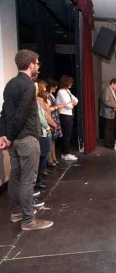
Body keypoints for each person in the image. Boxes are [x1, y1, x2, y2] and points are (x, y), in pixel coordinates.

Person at [0, 49, 53, 230]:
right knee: (28, 180)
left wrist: (5, 136)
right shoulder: (29, 85)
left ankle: (16, 213)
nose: (38, 66)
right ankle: (28, 220)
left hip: (14, 141)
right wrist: (10, 136)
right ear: (31, 64)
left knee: (15, 176)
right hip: (26, 139)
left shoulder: (10, 84)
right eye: (37, 63)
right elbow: (20, 116)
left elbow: (4, 113)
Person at [56, 75, 78, 160]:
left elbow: (76, 100)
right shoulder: (61, 92)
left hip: (69, 115)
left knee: (68, 134)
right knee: (66, 135)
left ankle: (65, 152)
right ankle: (65, 153)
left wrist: (72, 103)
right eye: (70, 82)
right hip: (64, 115)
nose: (71, 84)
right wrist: (72, 103)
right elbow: (69, 106)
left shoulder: (67, 91)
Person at [45, 78, 65, 166]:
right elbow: (47, 109)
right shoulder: (46, 96)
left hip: (55, 117)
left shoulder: (51, 95)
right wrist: (57, 107)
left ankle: (54, 157)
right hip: (51, 118)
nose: (56, 87)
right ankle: (49, 159)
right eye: (54, 86)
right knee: (49, 140)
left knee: (53, 140)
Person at [100, 78, 116, 149]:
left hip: (112, 112)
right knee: (107, 129)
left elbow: (112, 101)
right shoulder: (106, 90)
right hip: (107, 113)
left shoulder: (112, 91)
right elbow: (106, 102)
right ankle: (107, 143)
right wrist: (115, 105)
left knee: (112, 128)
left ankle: (111, 142)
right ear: (112, 83)